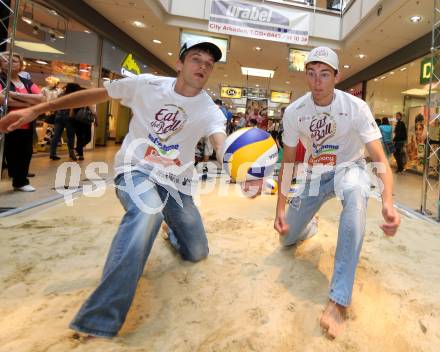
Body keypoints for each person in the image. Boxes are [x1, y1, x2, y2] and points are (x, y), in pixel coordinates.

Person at [0, 39, 261, 338]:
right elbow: (94, 95)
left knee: (197, 251)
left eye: (208, 63)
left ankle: (170, 230)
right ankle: (100, 317)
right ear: (179, 64)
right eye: (195, 58)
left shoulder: (210, 110)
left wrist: (241, 171)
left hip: (176, 186)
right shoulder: (146, 85)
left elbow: (219, 143)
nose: (202, 65)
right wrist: (39, 109)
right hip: (135, 171)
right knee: (147, 213)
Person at [275, 46, 400, 339]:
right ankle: (307, 228)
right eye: (311, 73)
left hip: (349, 169)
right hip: (314, 175)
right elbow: (289, 162)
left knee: (357, 196)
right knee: (285, 239)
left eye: (325, 74)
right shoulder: (295, 111)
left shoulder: (355, 108)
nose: (317, 81)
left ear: (336, 76)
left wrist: (388, 203)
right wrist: (279, 209)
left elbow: (380, 160)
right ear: (306, 75)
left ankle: (339, 299)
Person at [0, 51, 45, 192]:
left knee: (25, 153)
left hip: (26, 124)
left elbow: (41, 99)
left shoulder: (26, 82)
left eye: (14, 61)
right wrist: (29, 104)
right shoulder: (1, 80)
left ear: (20, 65)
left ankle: (20, 182)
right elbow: (2, 99)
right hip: (6, 124)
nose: (10, 63)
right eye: (6, 60)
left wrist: (13, 94)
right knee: (6, 153)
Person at [49, 83, 79, 161]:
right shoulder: (73, 96)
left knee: (56, 136)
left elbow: (55, 105)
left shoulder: (60, 95)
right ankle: (71, 153)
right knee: (70, 136)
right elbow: (73, 107)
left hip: (58, 116)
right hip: (68, 117)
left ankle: (52, 153)